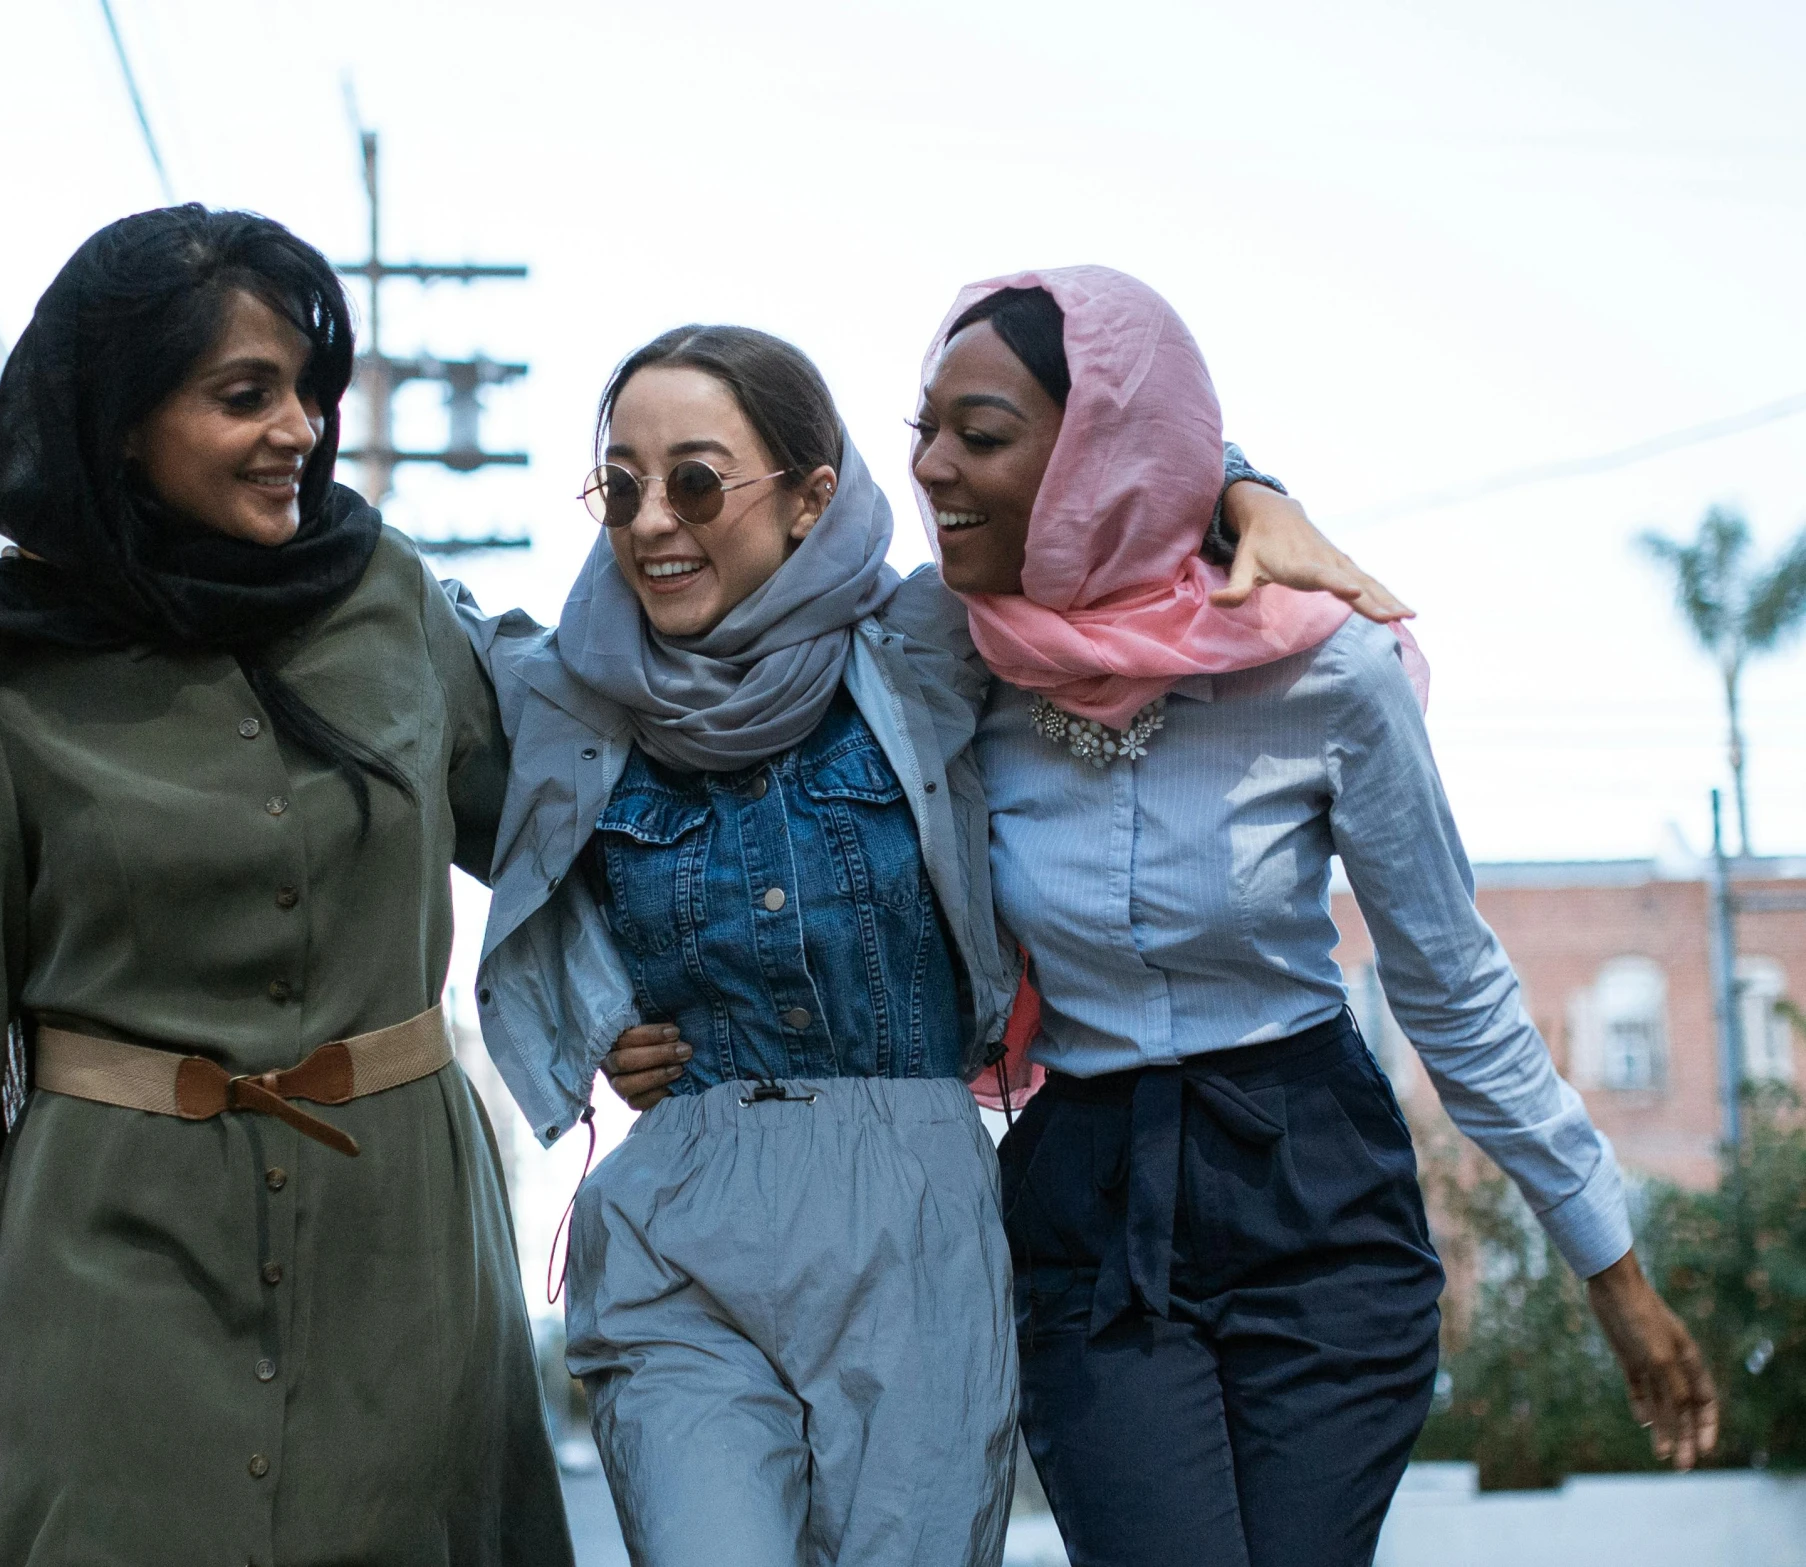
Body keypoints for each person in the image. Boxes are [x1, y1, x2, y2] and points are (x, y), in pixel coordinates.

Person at [464, 324, 1378, 1567]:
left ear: (809, 497)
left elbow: (1083, 465)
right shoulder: (562, 689)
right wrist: (593, 1007)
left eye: (694, 479)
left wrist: (1240, 482)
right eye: (619, 485)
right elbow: (394, 622)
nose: (650, 522)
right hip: (682, 1220)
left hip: (914, 1222)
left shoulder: (924, 646)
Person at [910, 266, 1717, 1567]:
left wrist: (1608, 1268)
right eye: (923, 433)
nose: (934, 468)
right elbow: (755, 666)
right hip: (1087, 1218)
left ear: (1096, 462)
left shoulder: (1323, 664)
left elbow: (1452, 987)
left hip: (1316, 1203)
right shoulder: (937, 654)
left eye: (982, 435)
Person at [0, 205, 569, 1567]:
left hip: (402, 1245)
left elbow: (563, 825)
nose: (299, 429)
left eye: (307, 392)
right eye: (245, 395)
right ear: (118, 418)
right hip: (114, 1249)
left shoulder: (389, 600)